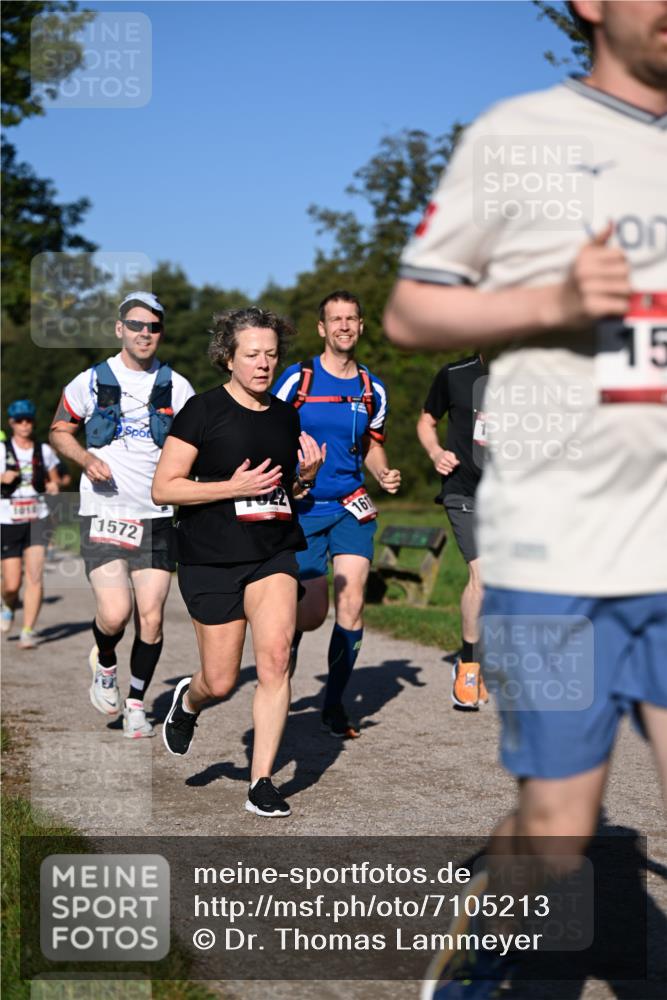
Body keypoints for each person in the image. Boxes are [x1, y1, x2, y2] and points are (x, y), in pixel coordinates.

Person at [385, 1, 667, 994]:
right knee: (556, 834)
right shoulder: (522, 137)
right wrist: (550, 303)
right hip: (556, 551)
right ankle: (477, 948)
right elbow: (412, 304)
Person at [152, 307, 325, 818]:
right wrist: (233, 487)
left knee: (275, 660)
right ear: (228, 357)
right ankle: (189, 701)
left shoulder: (285, 415)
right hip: (211, 557)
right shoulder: (201, 412)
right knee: (221, 680)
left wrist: (305, 479)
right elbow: (164, 488)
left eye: (271, 354)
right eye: (252, 354)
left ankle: (262, 782)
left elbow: (283, 492)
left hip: (272, 552)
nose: (264, 364)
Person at [49, 291, 195, 739]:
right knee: (115, 615)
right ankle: (106, 664)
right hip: (105, 512)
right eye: (135, 325)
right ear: (119, 329)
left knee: (150, 618)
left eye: (152, 327)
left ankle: (136, 703)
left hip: (155, 516)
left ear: (161, 333)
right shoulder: (90, 380)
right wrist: (85, 459)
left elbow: (194, 447)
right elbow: (59, 430)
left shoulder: (178, 386)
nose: (144, 334)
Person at [272, 290, 401, 738]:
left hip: (351, 506)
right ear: (323, 329)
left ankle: (333, 707)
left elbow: (372, 446)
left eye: (352, 318)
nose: (344, 326)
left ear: (361, 326)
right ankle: (277, 682)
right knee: (309, 615)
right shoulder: (297, 380)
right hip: (303, 507)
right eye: (336, 319)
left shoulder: (372, 388)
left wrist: (383, 474)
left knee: (352, 602)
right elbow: (267, 429)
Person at [418, 354, 489, 709]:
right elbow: (427, 421)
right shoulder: (455, 374)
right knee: (483, 575)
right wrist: (435, 453)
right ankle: (469, 668)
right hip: (464, 490)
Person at [1, 399, 60, 647]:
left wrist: (54, 486)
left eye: (29, 420)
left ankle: (28, 630)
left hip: (38, 518)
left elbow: (55, 480)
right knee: (12, 583)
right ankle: (7, 603)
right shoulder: (2, 450)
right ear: (11, 423)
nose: (25, 425)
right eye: (20, 421)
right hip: (8, 520)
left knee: (34, 577)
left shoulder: (43, 450)